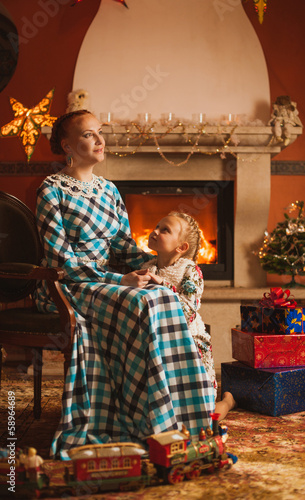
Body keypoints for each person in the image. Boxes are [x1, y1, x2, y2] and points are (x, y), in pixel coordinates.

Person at [34, 110, 215, 460]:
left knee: (160, 295)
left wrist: (164, 268)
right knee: (140, 301)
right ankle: (135, 420)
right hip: (67, 286)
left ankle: (185, 415)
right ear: (67, 145)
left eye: (100, 133)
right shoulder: (51, 190)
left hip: (107, 284)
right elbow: (60, 261)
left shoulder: (109, 190)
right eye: (89, 135)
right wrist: (121, 280)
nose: (100, 141)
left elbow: (122, 247)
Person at [142, 212, 236, 420]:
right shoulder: (146, 268)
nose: (155, 231)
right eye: (156, 225)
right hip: (158, 343)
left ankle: (227, 400)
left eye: (164, 229)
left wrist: (161, 284)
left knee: (203, 414)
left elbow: (188, 309)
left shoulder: (190, 270)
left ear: (181, 247)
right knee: (162, 408)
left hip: (187, 343)